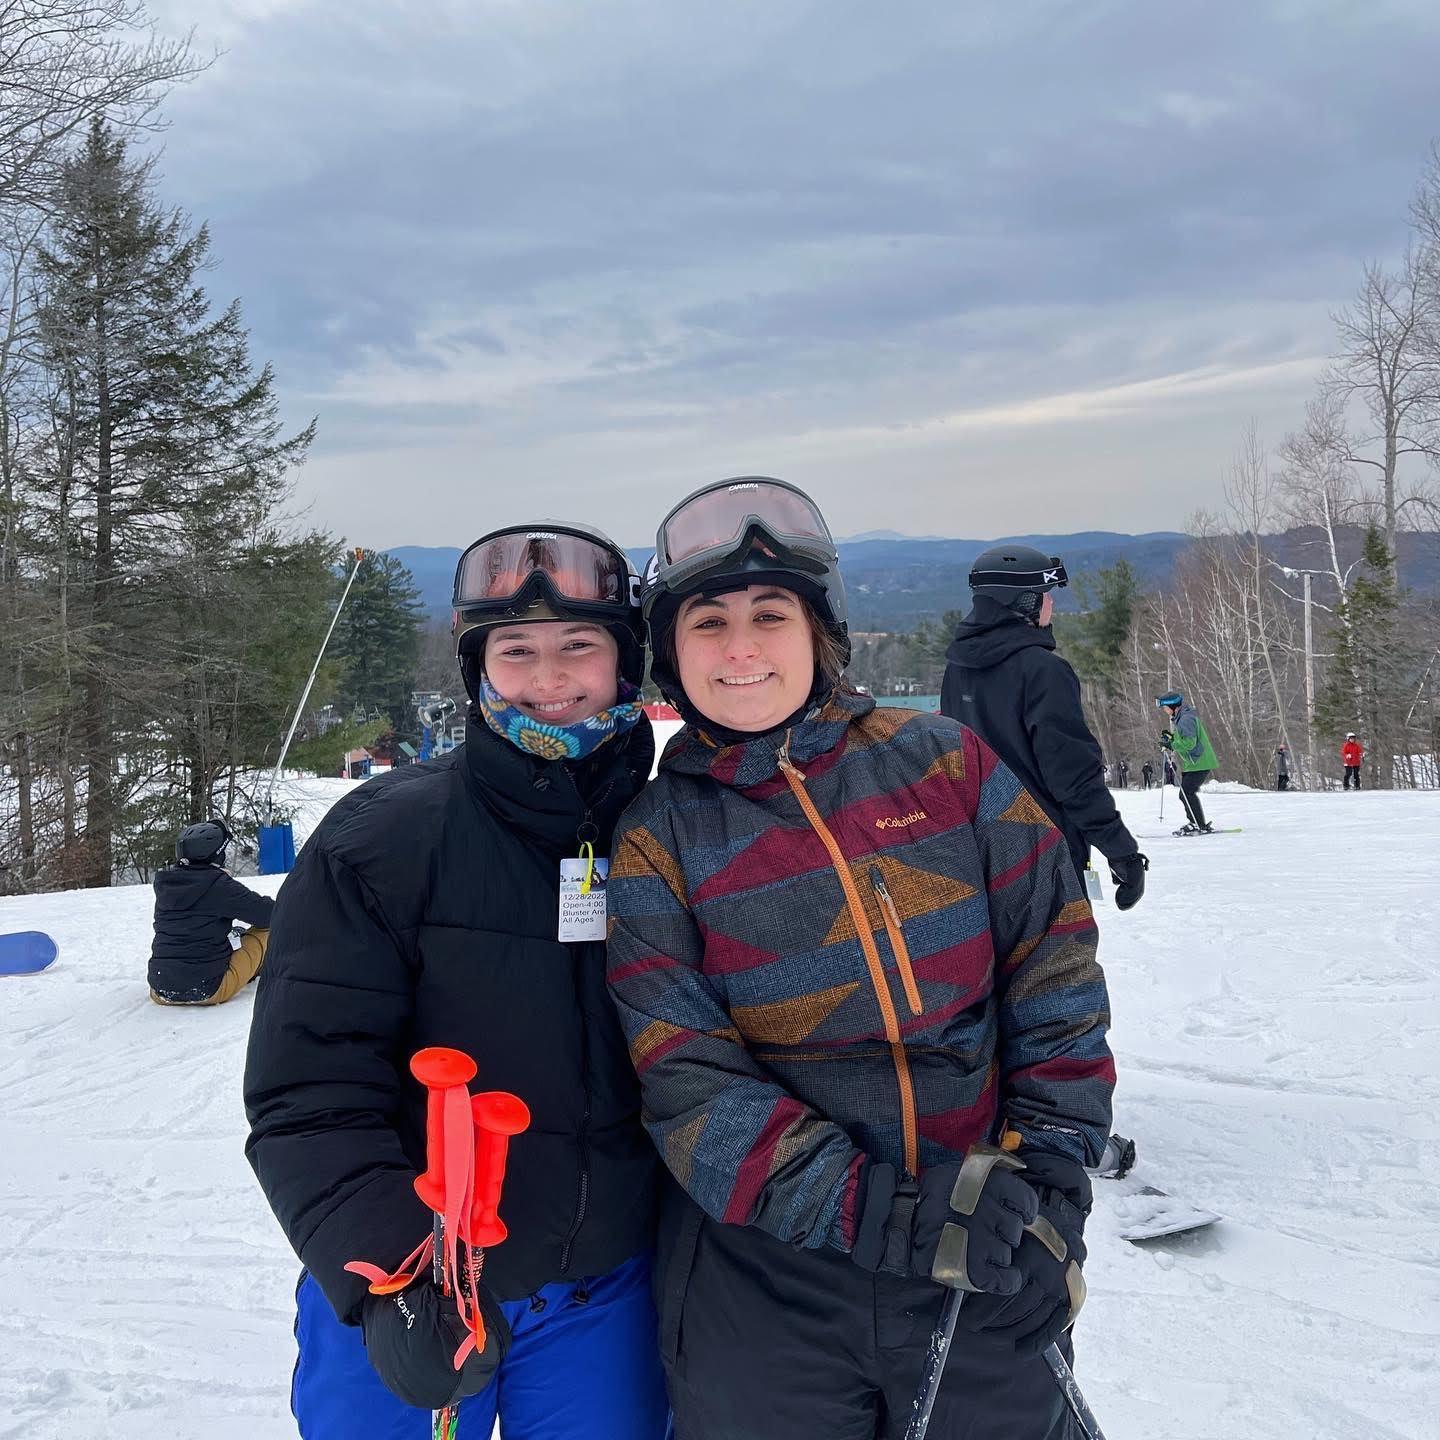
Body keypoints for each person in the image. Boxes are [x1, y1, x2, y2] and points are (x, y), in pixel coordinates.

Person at [607, 477, 1113, 1440]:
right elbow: (685, 1079)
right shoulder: (658, 839)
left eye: (770, 615)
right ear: (673, 654)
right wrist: (875, 1208)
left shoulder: (946, 767)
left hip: (985, 1239)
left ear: (818, 632)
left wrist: (1049, 1185)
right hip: (769, 1287)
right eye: (708, 623)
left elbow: (1055, 975)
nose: (743, 648)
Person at [244, 523, 669, 1440]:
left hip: (605, 1290)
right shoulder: (382, 842)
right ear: (481, 667)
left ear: (624, 664)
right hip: (414, 1285)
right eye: (517, 652)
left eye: (579, 647)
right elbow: (308, 1090)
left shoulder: (674, 831)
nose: (548, 679)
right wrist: (389, 1273)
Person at [941, 543, 1147, 910]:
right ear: (1024, 603)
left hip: (978, 854)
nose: (1051, 605)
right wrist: (1122, 852)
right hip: (1043, 854)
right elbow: (1072, 776)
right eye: (1045, 596)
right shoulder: (1043, 672)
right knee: (1061, 965)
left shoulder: (958, 670)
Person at [148, 820, 273, 1005]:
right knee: (266, 930)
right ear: (216, 856)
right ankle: (256, 969)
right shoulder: (220, 886)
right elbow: (269, 914)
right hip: (209, 989)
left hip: (160, 989)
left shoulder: (165, 885)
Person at [1157, 691, 1218, 834]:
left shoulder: (1185, 719)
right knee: (1186, 793)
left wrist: (1171, 745)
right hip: (1194, 762)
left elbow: (1190, 743)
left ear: (1173, 706)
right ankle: (1197, 823)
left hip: (1199, 761)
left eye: (1165, 708)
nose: (1165, 711)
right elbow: (1184, 740)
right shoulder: (1183, 717)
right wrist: (1171, 739)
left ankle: (1197, 824)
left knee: (1186, 792)